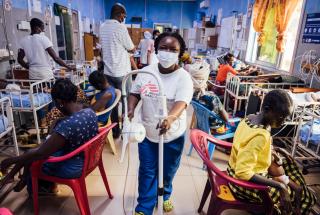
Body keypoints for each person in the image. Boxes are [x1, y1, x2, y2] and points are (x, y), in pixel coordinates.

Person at [128, 32, 193, 215]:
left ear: (180, 54)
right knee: (147, 171)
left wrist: (170, 118)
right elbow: (134, 92)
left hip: (172, 135)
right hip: (148, 132)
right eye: (163, 48)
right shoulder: (147, 72)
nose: (167, 52)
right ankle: (144, 207)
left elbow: (182, 102)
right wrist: (131, 108)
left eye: (173, 49)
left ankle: (164, 196)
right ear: (156, 49)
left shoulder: (183, 77)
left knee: (168, 171)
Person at [0, 79, 99, 193]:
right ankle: (18, 178)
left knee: (33, 157)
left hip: (73, 167)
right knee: (33, 151)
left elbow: (41, 153)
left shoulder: (67, 125)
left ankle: (32, 185)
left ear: (59, 102)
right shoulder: (88, 110)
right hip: (89, 158)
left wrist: (10, 161)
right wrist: (59, 120)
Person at [227, 89, 316, 215]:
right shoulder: (261, 136)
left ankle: (292, 190)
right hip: (242, 184)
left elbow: (248, 148)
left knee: (286, 165)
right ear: (268, 110)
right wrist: (280, 187)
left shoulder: (249, 118)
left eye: (286, 118)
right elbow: (243, 172)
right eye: (281, 117)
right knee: (301, 197)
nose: (283, 121)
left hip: (232, 170)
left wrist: (272, 150)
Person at [100, 3, 135, 138]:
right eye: (123, 16)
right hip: (122, 73)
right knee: (126, 101)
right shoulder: (120, 28)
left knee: (113, 102)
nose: (124, 19)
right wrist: (131, 48)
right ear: (119, 14)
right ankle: (125, 130)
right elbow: (131, 48)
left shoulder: (102, 27)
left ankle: (115, 131)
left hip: (108, 72)